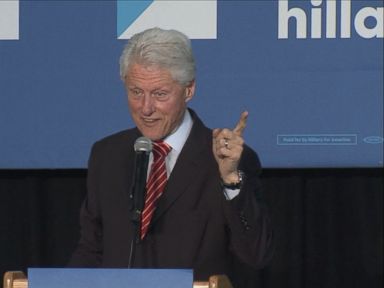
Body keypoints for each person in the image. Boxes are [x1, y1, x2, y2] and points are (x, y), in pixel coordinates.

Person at [69, 27, 273, 287]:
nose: (146, 108)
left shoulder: (226, 160)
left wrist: (230, 180)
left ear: (189, 90)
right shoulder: (106, 155)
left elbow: (256, 255)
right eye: (135, 92)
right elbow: (91, 250)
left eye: (159, 94)